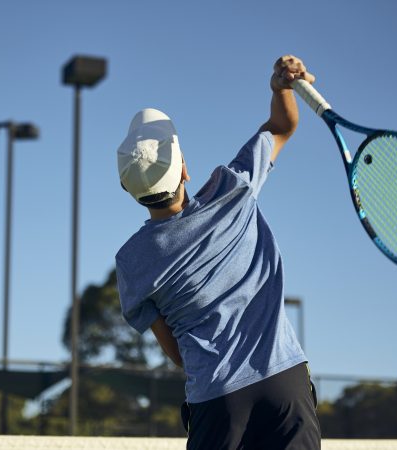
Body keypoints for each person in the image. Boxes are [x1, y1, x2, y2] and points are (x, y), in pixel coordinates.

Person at [114, 55, 321, 449]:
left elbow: (177, 353)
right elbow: (282, 126)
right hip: (285, 383)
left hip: (217, 398)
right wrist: (281, 88)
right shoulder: (234, 190)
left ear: (129, 191)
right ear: (185, 170)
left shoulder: (131, 262)